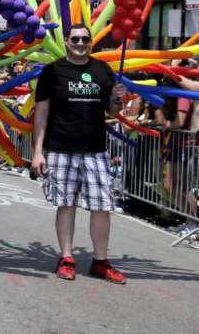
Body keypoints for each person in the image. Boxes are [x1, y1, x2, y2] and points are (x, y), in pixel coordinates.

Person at [31, 24, 128, 283]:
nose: (80, 42)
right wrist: (38, 152)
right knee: (66, 204)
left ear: (91, 42)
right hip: (61, 148)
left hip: (95, 150)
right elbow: (41, 114)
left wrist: (118, 100)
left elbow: (112, 112)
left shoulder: (102, 70)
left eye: (85, 39)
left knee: (101, 206)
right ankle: (66, 257)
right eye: (75, 38)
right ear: (66, 41)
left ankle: (100, 261)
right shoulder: (52, 72)